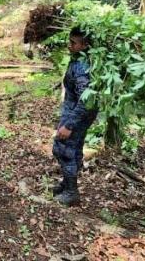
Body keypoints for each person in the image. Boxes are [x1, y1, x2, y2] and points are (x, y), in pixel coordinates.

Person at [52, 26, 97, 206]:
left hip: (77, 113)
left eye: (73, 43)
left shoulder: (81, 67)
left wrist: (69, 125)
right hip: (80, 113)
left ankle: (72, 192)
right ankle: (67, 184)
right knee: (75, 147)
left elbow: (86, 100)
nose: (69, 46)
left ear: (85, 44)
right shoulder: (81, 59)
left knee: (62, 148)